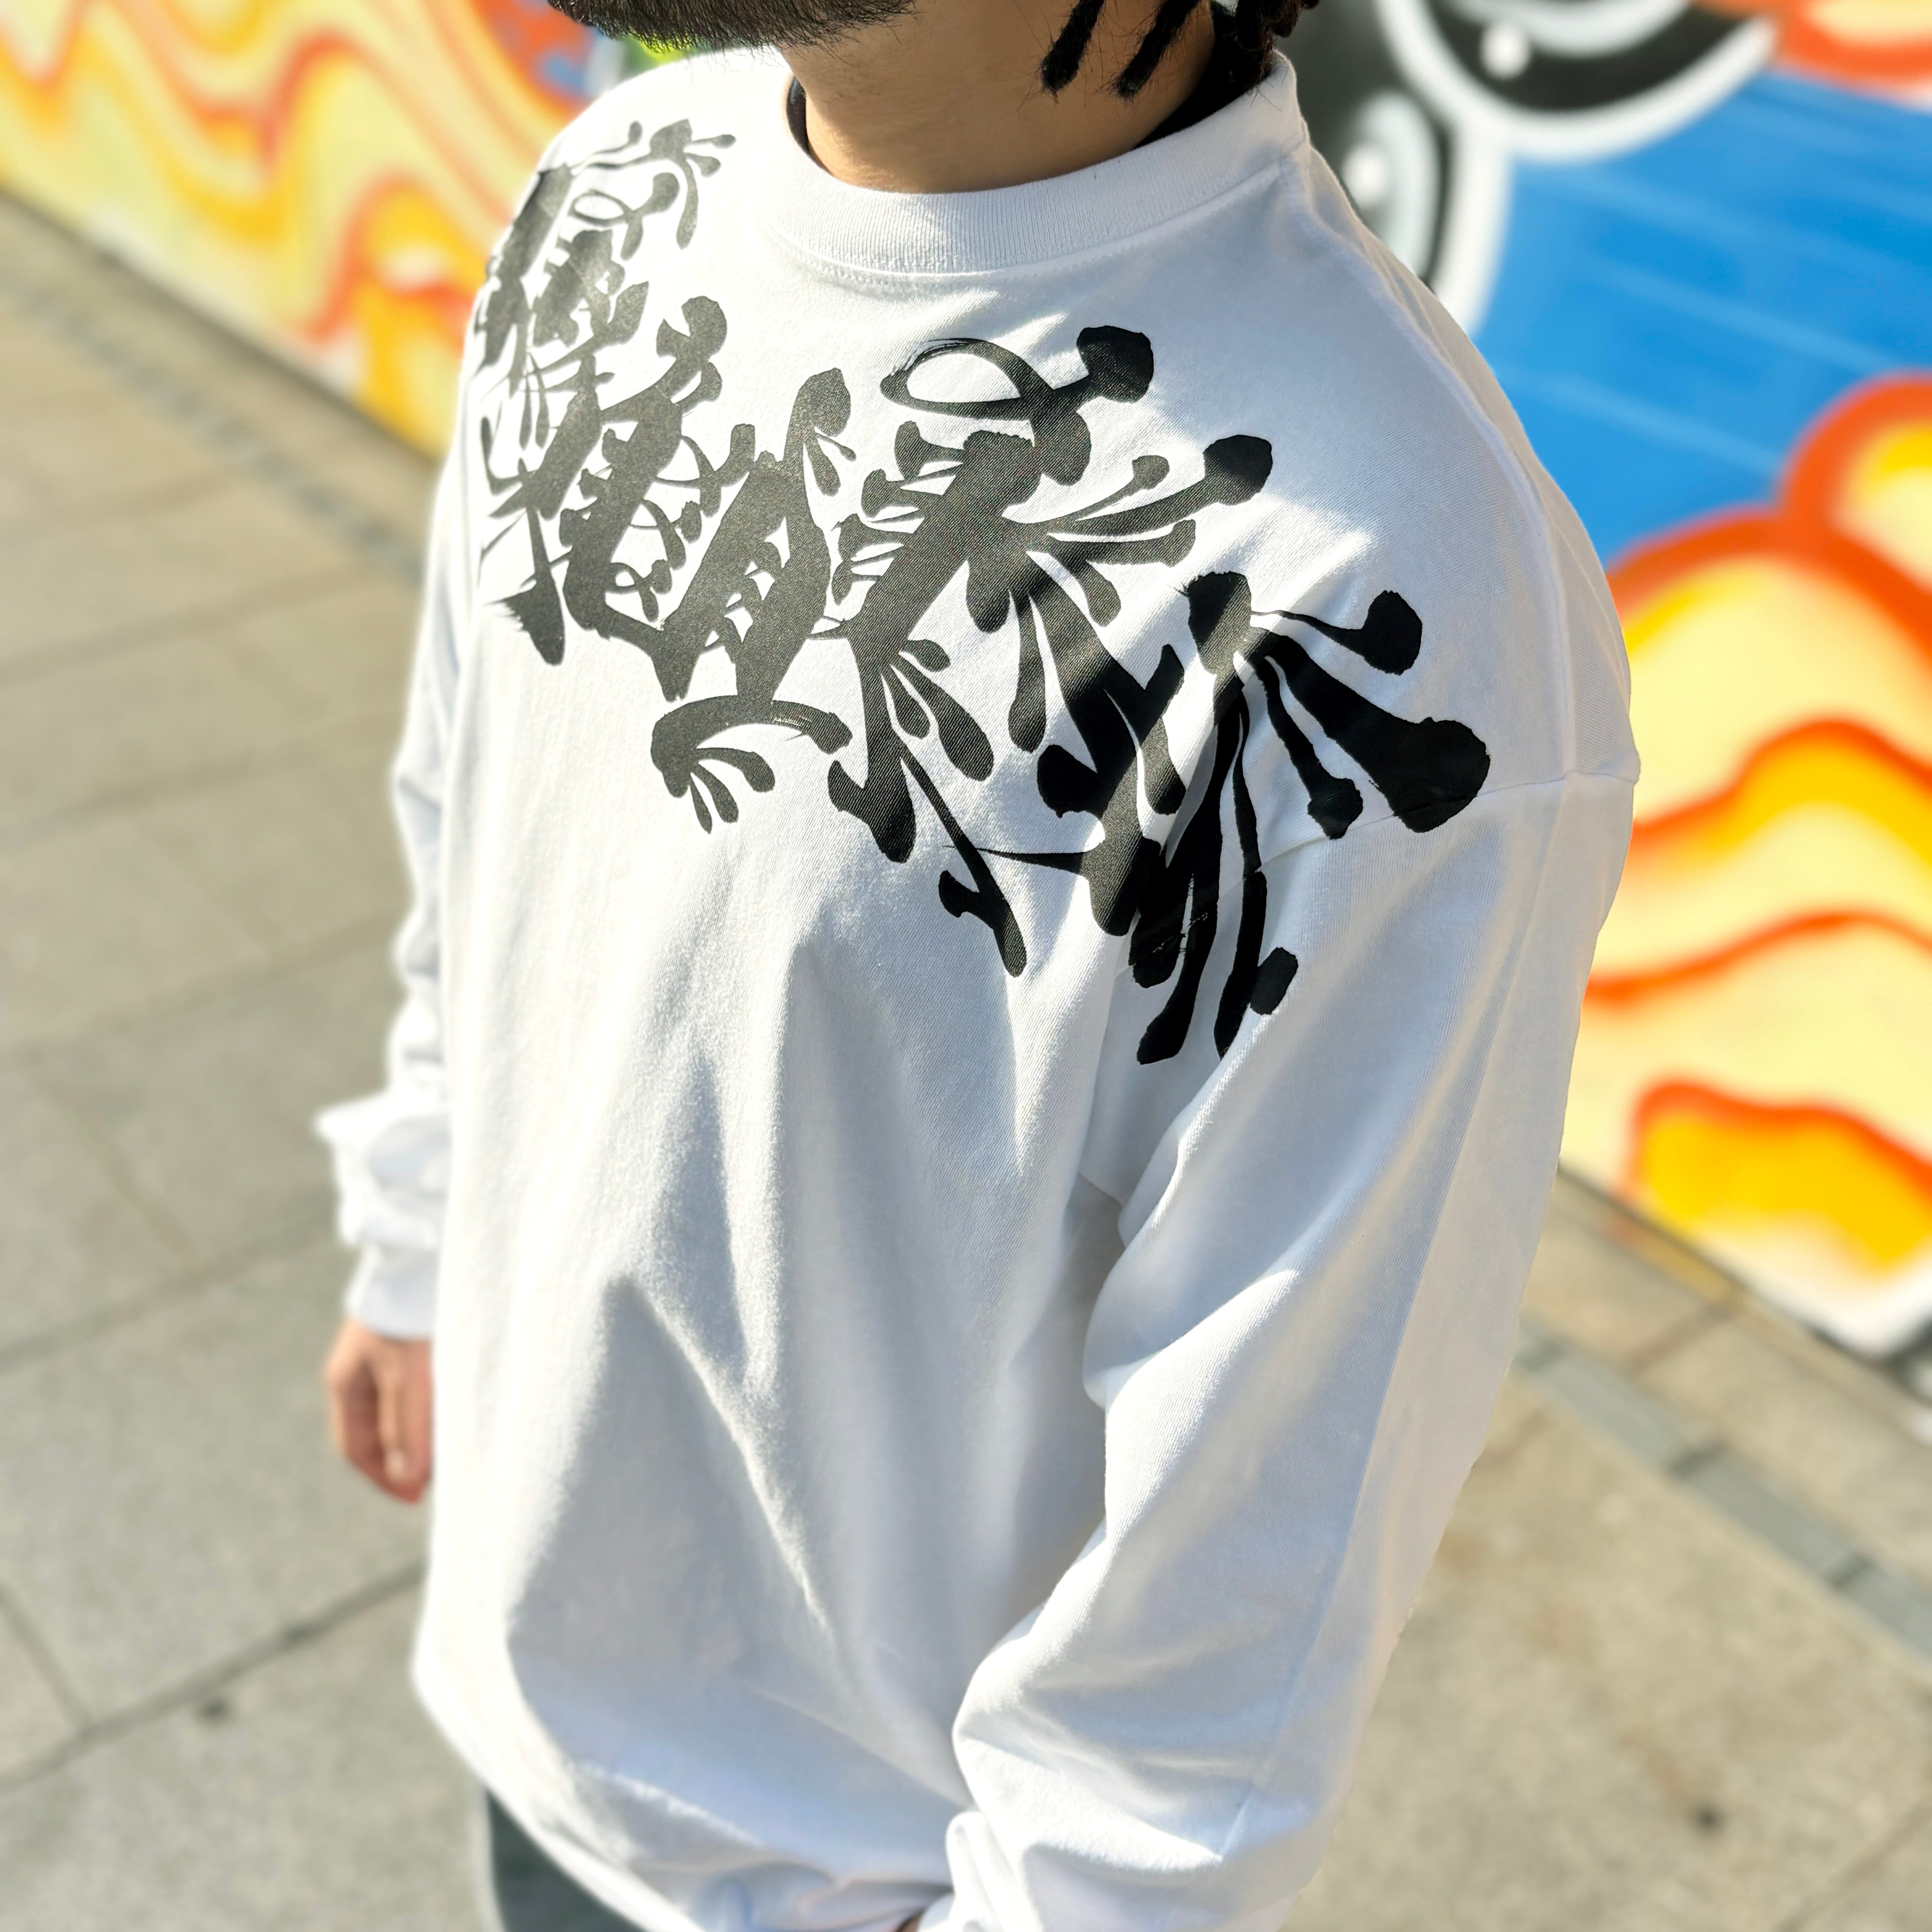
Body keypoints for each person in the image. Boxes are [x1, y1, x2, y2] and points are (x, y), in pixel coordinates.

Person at [317, 0, 1637, 1921]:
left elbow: (1226, 1641)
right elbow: (487, 798)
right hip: (523, 1692)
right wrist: (417, 1223)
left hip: (837, 1876)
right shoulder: (610, 183)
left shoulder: (1391, 597)